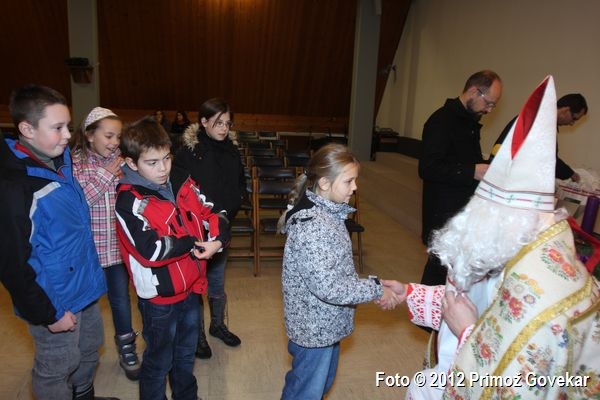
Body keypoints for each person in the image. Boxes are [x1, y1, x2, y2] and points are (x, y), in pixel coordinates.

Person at [383, 76, 600, 399]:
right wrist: (413, 293)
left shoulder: (545, 295)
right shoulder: (505, 246)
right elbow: (476, 298)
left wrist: (467, 332)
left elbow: (518, 383)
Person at [0, 84, 118, 399]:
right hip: (52, 298)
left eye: (68, 125)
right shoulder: (14, 186)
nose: (67, 135)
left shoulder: (59, 159)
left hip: (82, 286)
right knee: (57, 365)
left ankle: (83, 394)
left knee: (89, 348)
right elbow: (14, 264)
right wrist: (48, 312)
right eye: (57, 128)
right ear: (27, 129)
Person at [115, 117, 230, 400]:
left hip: (192, 288)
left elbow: (214, 212)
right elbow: (151, 250)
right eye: (152, 162)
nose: (163, 168)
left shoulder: (181, 180)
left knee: (185, 355)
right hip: (159, 299)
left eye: (166, 158)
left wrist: (217, 240)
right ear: (131, 163)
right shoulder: (129, 202)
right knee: (159, 361)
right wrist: (191, 241)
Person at [278, 143, 398, 400]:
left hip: (326, 323)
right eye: (348, 181)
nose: (355, 187)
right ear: (324, 183)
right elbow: (329, 287)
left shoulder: (329, 214)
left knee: (319, 386)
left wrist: (373, 285)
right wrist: (376, 289)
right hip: (314, 329)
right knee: (306, 392)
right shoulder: (313, 226)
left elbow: (337, 273)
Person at [69, 107, 141, 381]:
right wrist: (106, 174)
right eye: (108, 136)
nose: (114, 142)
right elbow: (79, 202)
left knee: (121, 300)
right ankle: (80, 353)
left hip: (117, 250)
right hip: (89, 251)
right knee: (85, 304)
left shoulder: (123, 162)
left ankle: (127, 347)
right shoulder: (75, 163)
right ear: (90, 135)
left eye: (118, 137)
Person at [175, 98, 245, 359]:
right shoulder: (187, 152)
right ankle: (197, 336)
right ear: (203, 122)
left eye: (228, 123)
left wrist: (230, 210)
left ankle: (217, 325)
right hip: (195, 228)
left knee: (216, 280)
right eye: (218, 123)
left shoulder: (232, 150)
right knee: (196, 283)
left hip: (221, 227)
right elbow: (180, 191)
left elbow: (239, 184)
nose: (224, 128)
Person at [419, 69, 502, 288]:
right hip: (443, 212)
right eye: (489, 103)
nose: (489, 110)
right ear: (474, 91)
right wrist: (472, 171)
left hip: (461, 209)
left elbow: (462, 158)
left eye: (493, 106)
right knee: (437, 273)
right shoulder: (441, 121)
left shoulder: (469, 121)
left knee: (452, 275)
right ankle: (424, 309)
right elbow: (428, 168)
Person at [490, 93, 588, 182]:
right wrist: (570, 174)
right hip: (506, 177)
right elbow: (547, 160)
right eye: (574, 119)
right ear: (566, 110)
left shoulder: (542, 119)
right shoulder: (538, 121)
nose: (572, 123)